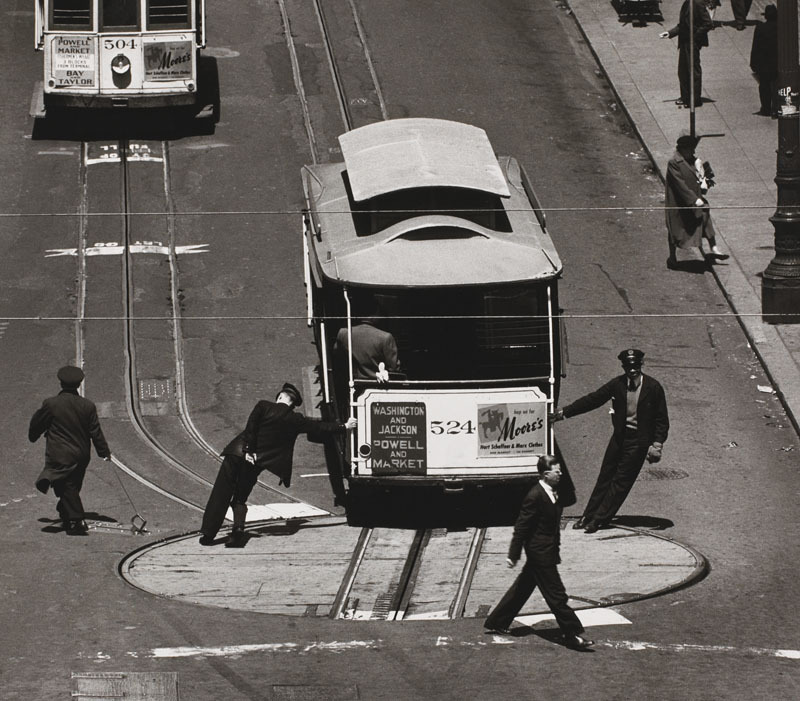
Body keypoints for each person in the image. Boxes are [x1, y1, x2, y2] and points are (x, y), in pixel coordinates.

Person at [199, 382, 356, 546]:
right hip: (257, 462)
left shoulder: (263, 406)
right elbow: (319, 427)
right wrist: (344, 426)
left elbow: (251, 427)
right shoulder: (296, 419)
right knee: (241, 495)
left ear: (280, 397)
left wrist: (248, 450)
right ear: (292, 404)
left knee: (221, 491)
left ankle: (208, 534)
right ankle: (238, 529)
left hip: (237, 453)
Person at [552, 349, 669, 534]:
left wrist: (657, 444)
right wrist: (564, 413)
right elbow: (593, 399)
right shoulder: (618, 384)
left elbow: (662, 420)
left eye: (636, 367)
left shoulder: (653, 388)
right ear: (624, 367)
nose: (632, 371)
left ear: (641, 366)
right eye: (629, 367)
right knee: (605, 477)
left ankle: (599, 520)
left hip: (638, 441)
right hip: (620, 437)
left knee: (620, 482)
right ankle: (588, 516)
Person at [484, 455, 594, 650]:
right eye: (557, 472)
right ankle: (572, 634)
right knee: (557, 596)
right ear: (546, 474)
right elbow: (522, 527)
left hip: (547, 550)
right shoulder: (535, 496)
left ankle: (498, 621)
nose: (561, 474)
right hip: (540, 554)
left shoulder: (553, 492)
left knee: (524, 587)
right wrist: (513, 554)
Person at [28, 366, 111, 535]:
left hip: (60, 453)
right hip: (81, 454)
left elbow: (37, 423)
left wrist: (34, 435)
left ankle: (76, 520)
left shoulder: (51, 404)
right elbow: (95, 431)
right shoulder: (88, 406)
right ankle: (66, 512)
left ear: (60, 383)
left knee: (65, 485)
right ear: (80, 384)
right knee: (72, 484)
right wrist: (103, 452)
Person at [665, 132, 729, 268]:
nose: (693, 152)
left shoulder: (693, 160)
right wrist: (693, 200)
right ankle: (672, 257)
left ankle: (714, 248)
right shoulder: (673, 163)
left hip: (696, 200)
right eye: (690, 149)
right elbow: (679, 184)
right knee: (675, 231)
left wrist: (704, 181)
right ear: (682, 149)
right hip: (679, 203)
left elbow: (698, 178)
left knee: (706, 219)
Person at [660, 0, 714, 108]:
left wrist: (695, 36)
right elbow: (683, 25)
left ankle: (694, 99)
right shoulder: (687, 3)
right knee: (683, 71)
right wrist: (670, 33)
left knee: (693, 71)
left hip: (692, 43)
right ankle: (685, 96)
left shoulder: (697, 3)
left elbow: (708, 23)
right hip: (685, 41)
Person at [750, 5, 778, 117]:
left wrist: (753, 63)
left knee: (764, 87)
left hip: (764, 64)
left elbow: (755, 47)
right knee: (777, 86)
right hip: (777, 63)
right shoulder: (782, 28)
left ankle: (766, 108)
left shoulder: (761, 28)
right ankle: (776, 108)